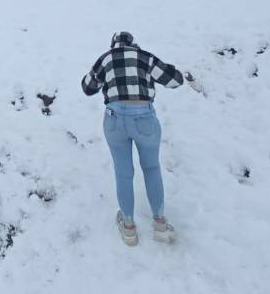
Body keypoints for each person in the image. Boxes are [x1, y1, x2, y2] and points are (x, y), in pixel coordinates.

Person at [81, 31, 199, 247]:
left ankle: (128, 228)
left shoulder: (105, 58)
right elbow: (175, 81)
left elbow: (87, 87)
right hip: (143, 117)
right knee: (152, 168)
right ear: (133, 45)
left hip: (114, 119)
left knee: (123, 172)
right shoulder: (144, 57)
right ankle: (161, 225)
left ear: (113, 45)